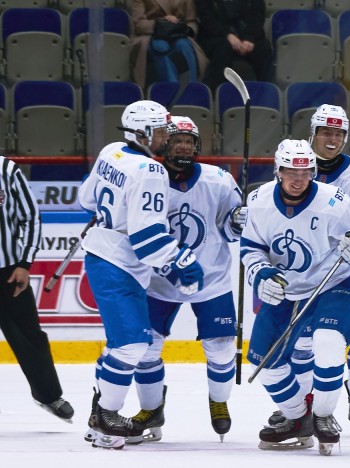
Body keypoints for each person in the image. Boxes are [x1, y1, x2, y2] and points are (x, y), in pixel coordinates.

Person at [79, 101, 205, 450]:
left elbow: (85, 198)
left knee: (131, 343)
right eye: (163, 132)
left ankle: (99, 415)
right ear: (142, 133)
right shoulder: (151, 171)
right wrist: (181, 260)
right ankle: (107, 414)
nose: (168, 138)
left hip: (108, 257)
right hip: (116, 263)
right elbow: (148, 239)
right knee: (133, 344)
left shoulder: (110, 151)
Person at [241, 139, 350, 455]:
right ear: (278, 170)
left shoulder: (335, 202)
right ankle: (298, 418)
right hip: (285, 291)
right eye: (291, 171)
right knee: (264, 363)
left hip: (335, 284)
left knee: (328, 342)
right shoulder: (259, 202)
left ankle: (323, 415)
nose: (298, 179)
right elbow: (251, 249)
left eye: (305, 172)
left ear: (313, 172)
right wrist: (261, 274)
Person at [266, 105, 350, 437]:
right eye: (326, 132)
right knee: (305, 341)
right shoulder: (294, 166)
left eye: (338, 134)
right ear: (313, 133)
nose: (332, 139)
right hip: (304, 274)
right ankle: (303, 407)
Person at [124, 116, 247, 444]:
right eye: (177, 140)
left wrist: (237, 221)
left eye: (189, 142)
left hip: (211, 279)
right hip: (159, 280)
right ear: (164, 143)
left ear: (198, 147)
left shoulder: (219, 180)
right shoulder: (148, 178)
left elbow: (230, 232)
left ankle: (218, 402)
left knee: (221, 349)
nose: (183, 146)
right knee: (146, 348)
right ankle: (152, 410)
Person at [0, 156, 74, 423]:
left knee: (29, 337)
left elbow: (30, 216)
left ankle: (48, 395)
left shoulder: (5, 169)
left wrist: (24, 263)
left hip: (7, 273)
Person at [194, 0, 273, 92]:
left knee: (263, 48)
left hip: (248, 36)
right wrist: (228, 35)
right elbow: (207, 21)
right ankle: (213, 94)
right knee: (222, 48)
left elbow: (257, 18)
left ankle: (264, 92)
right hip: (216, 37)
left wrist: (249, 38)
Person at [130, 0, 209, 87]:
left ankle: (191, 88)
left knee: (184, 45)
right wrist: (162, 22)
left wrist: (185, 29)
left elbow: (191, 21)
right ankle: (172, 89)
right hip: (152, 33)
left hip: (179, 33)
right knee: (160, 46)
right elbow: (138, 24)